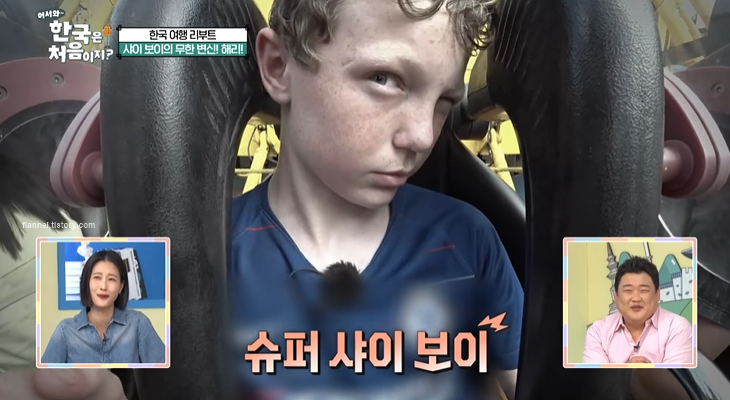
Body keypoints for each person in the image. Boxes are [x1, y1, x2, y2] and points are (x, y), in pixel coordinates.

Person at [228, 0, 522, 399]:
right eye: (383, 79)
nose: (422, 137)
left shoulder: (468, 240)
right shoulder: (204, 255)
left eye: (444, 102)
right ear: (279, 67)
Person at [41, 250, 165, 364]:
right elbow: (44, 378)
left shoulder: (138, 324)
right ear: (86, 282)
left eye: (111, 279)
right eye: (97, 277)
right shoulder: (65, 331)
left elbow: (164, 373)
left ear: (121, 286)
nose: (103, 286)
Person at [583, 256, 693, 364]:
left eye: (643, 290)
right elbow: (596, 375)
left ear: (657, 294)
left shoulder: (677, 327)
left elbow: (674, 376)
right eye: (628, 290)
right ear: (615, 296)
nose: (636, 298)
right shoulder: (598, 332)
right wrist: (628, 369)